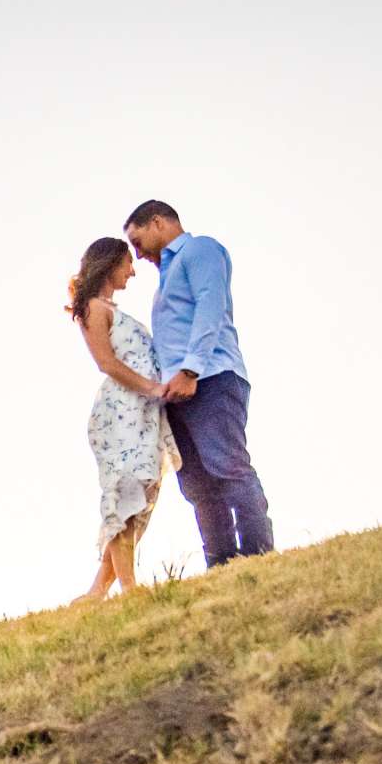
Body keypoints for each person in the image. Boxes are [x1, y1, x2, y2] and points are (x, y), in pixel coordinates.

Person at [124, 201, 273, 566]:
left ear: (158, 222)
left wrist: (191, 370)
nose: (137, 254)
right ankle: (221, 563)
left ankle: (258, 554)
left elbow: (211, 305)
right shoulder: (165, 277)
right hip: (178, 394)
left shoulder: (200, 249)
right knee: (197, 485)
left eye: (138, 240)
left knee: (228, 467)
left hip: (212, 378)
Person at [66, 236, 180, 604]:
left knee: (140, 497)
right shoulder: (94, 308)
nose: (132, 271)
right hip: (123, 412)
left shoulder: (111, 308)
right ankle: (129, 589)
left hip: (142, 412)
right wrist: (151, 387)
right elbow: (107, 363)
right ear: (110, 263)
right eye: (127, 263)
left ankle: (97, 591)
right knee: (126, 494)